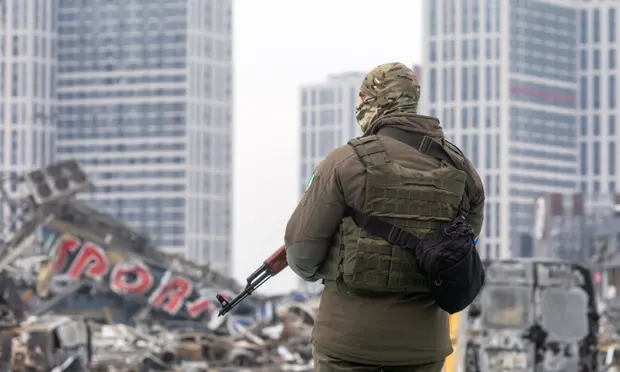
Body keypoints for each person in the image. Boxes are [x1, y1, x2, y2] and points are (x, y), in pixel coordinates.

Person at [284, 62, 485, 372]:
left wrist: (341, 263)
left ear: (376, 101)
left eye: (362, 98)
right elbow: (462, 248)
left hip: (347, 344)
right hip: (423, 349)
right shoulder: (461, 170)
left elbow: (301, 252)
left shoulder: (344, 162)